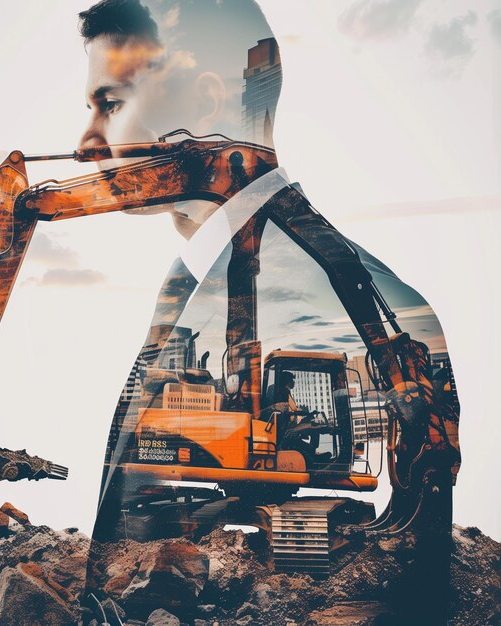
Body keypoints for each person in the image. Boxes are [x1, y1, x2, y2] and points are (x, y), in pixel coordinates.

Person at [76, 1, 460, 621]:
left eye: (111, 104)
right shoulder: (199, 284)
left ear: (205, 102)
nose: (85, 145)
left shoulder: (256, 279)